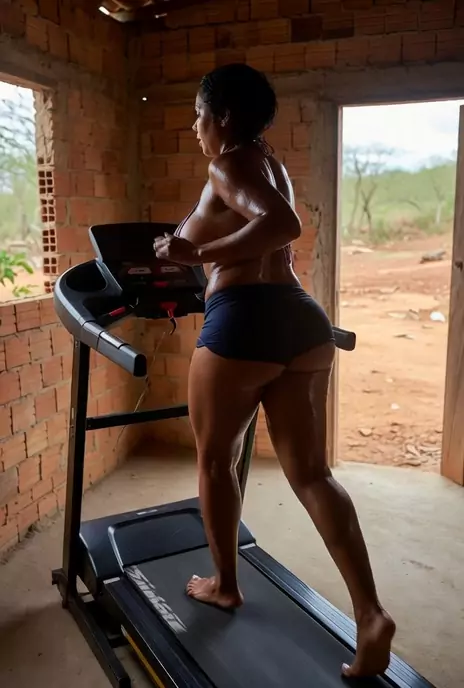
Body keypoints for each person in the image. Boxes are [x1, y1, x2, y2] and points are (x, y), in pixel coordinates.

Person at [154, 63, 396, 679]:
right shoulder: (268, 163)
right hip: (300, 321)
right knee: (313, 474)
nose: (195, 126)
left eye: (198, 114)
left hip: (243, 323)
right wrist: (190, 250)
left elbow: (284, 225)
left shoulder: (227, 164)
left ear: (223, 117)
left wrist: (196, 252)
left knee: (215, 460)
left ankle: (225, 585)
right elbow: (269, 226)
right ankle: (371, 615)